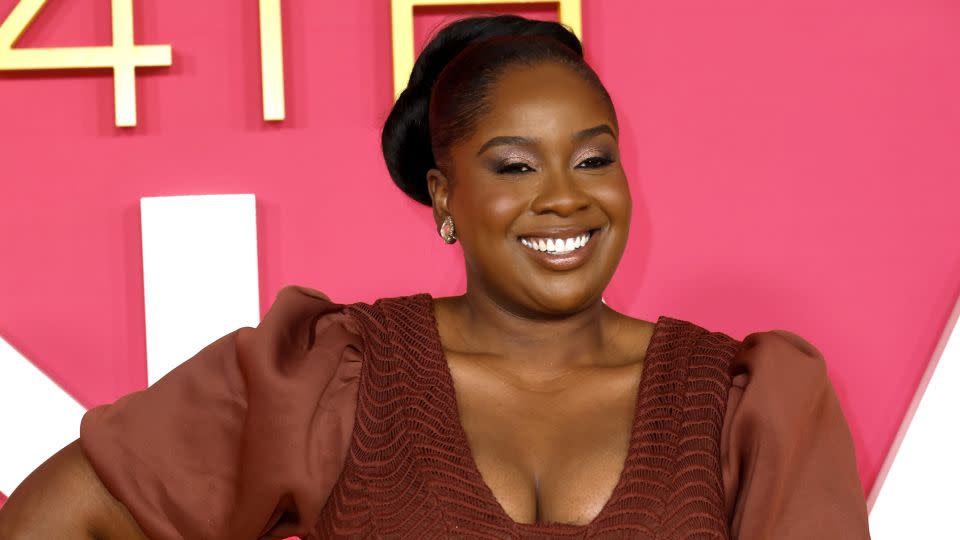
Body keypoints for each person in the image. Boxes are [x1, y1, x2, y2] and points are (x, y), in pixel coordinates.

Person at [0, 15, 870, 540]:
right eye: (516, 168)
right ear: (446, 197)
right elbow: (65, 518)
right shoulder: (332, 376)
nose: (565, 199)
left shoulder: (746, 400)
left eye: (594, 159)